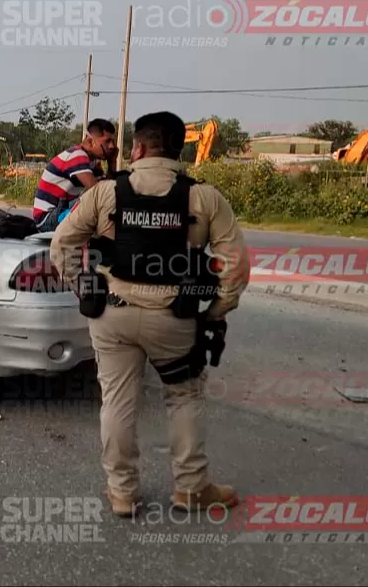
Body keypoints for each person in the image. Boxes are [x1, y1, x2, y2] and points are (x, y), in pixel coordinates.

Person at [49, 111, 250, 519]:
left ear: (138, 148)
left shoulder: (105, 194)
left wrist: (83, 287)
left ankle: (122, 493)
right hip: (174, 318)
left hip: (112, 315)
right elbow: (236, 267)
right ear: (180, 150)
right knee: (184, 397)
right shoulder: (204, 197)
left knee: (118, 402)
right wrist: (214, 312)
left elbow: (61, 245)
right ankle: (192, 488)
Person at [32, 118, 118, 231]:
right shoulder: (77, 155)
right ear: (90, 141)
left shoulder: (92, 162)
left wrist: (112, 162)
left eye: (113, 141)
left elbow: (108, 188)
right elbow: (98, 192)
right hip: (48, 218)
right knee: (94, 199)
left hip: (61, 210)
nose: (112, 146)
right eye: (107, 141)